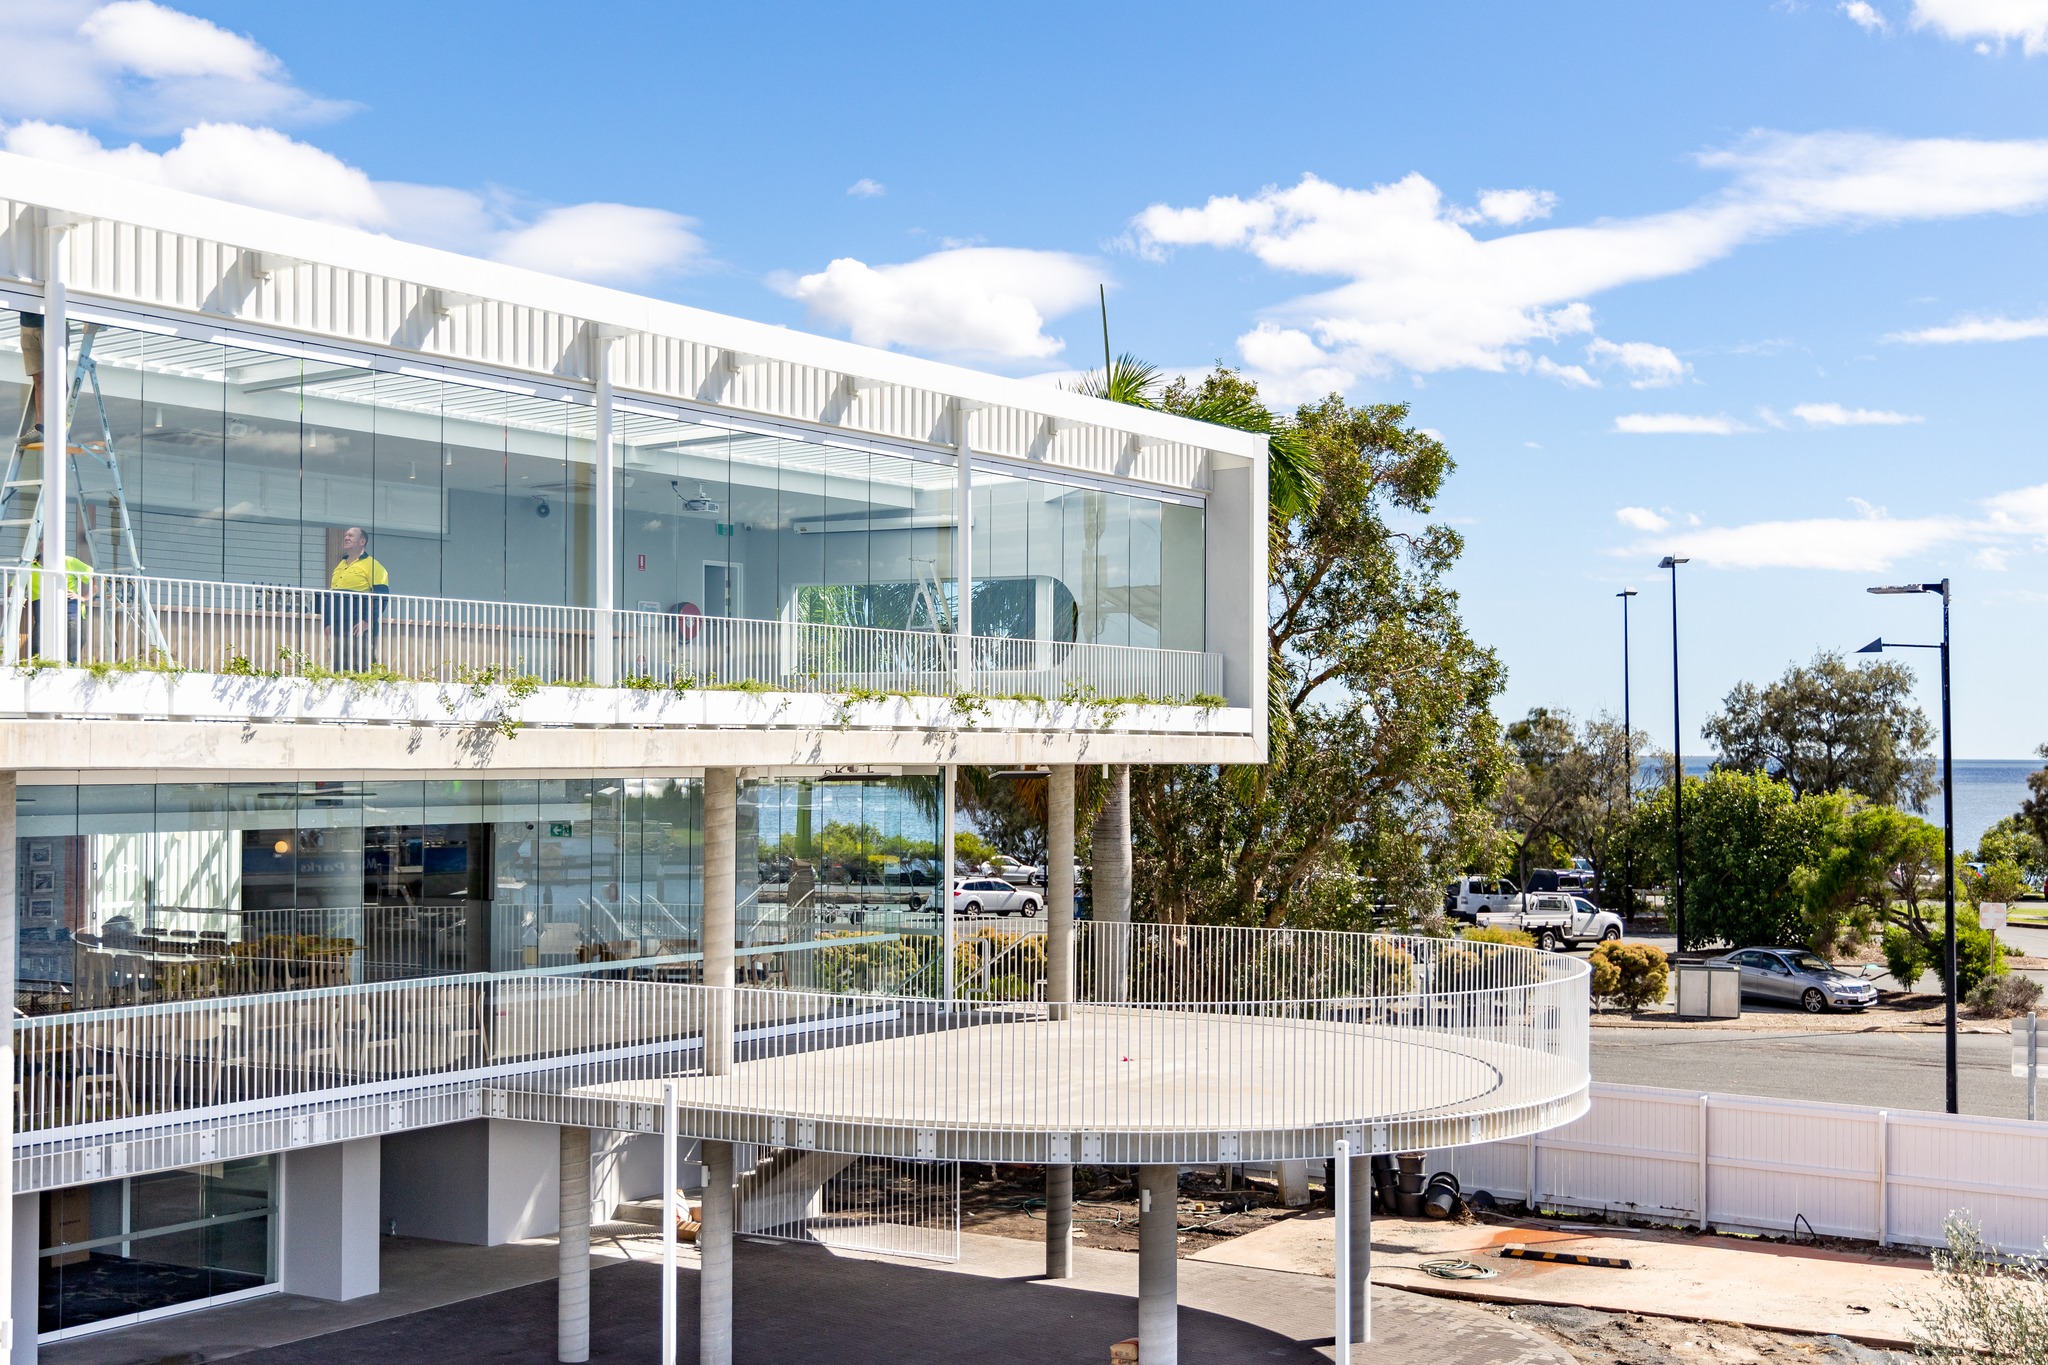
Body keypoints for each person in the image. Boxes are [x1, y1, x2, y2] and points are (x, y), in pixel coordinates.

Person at [324, 526, 390, 672]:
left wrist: (367, 621)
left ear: (362, 541)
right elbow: (331, 596)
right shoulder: (340, 565)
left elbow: (381, 596)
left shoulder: (373, 565)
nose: (346, 537)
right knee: (337, 663)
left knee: (360, 662)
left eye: (351, 536)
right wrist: (327, 623)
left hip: (358, 623)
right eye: (346, 535)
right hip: (337, 623)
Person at [25, 547, 93, 660]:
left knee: (75, 641)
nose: (45, 547)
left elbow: (96, 580)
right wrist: (18, 596)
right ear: (38, 548)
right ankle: (38, 668)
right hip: (43, 607)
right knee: (38, 642)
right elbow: (14, 586)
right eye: (42, 545)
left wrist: (83, 597)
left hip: (71, 607)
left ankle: (70, 667)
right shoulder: (30, 566)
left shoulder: (70, 561)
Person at [16, 311, 43, 448]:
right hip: (27, 324)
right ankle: (40, 428)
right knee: (38, 379)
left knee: (58, 378)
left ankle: (59, 426)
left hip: (53, 322)